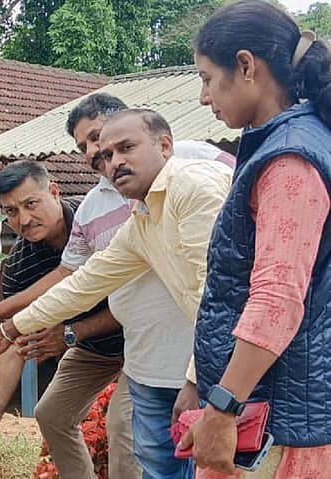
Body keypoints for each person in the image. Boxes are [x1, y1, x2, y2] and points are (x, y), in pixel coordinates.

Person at [0, 108, 232, 463]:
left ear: (165, 145)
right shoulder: (139, 220)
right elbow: (83, 283)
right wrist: (6, 329)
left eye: (125, 147)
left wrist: (196, 381)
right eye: (103, 153)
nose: (110, 161)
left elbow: (220, 301)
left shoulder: (193, 186)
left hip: (207, 362)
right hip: (138, 357)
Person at [178, 1, 331, 477]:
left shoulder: (290, 162)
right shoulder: (292, 144)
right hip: (275, 406)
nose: (204, 97)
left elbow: (277, 298)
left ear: (246, 66)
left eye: (207, 78)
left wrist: (222, 410)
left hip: (275, 422)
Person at [0, 159, 132, 479]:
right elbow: (13, 340)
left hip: (142, 337)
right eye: (11, 212)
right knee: (51, 415)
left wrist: (72, 333)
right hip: (96, 348)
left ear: (54, 191)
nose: (23, 219)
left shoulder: (97, 219)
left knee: (123, 422)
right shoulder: (21, 264)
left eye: (30, 204)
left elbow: (135, 300)